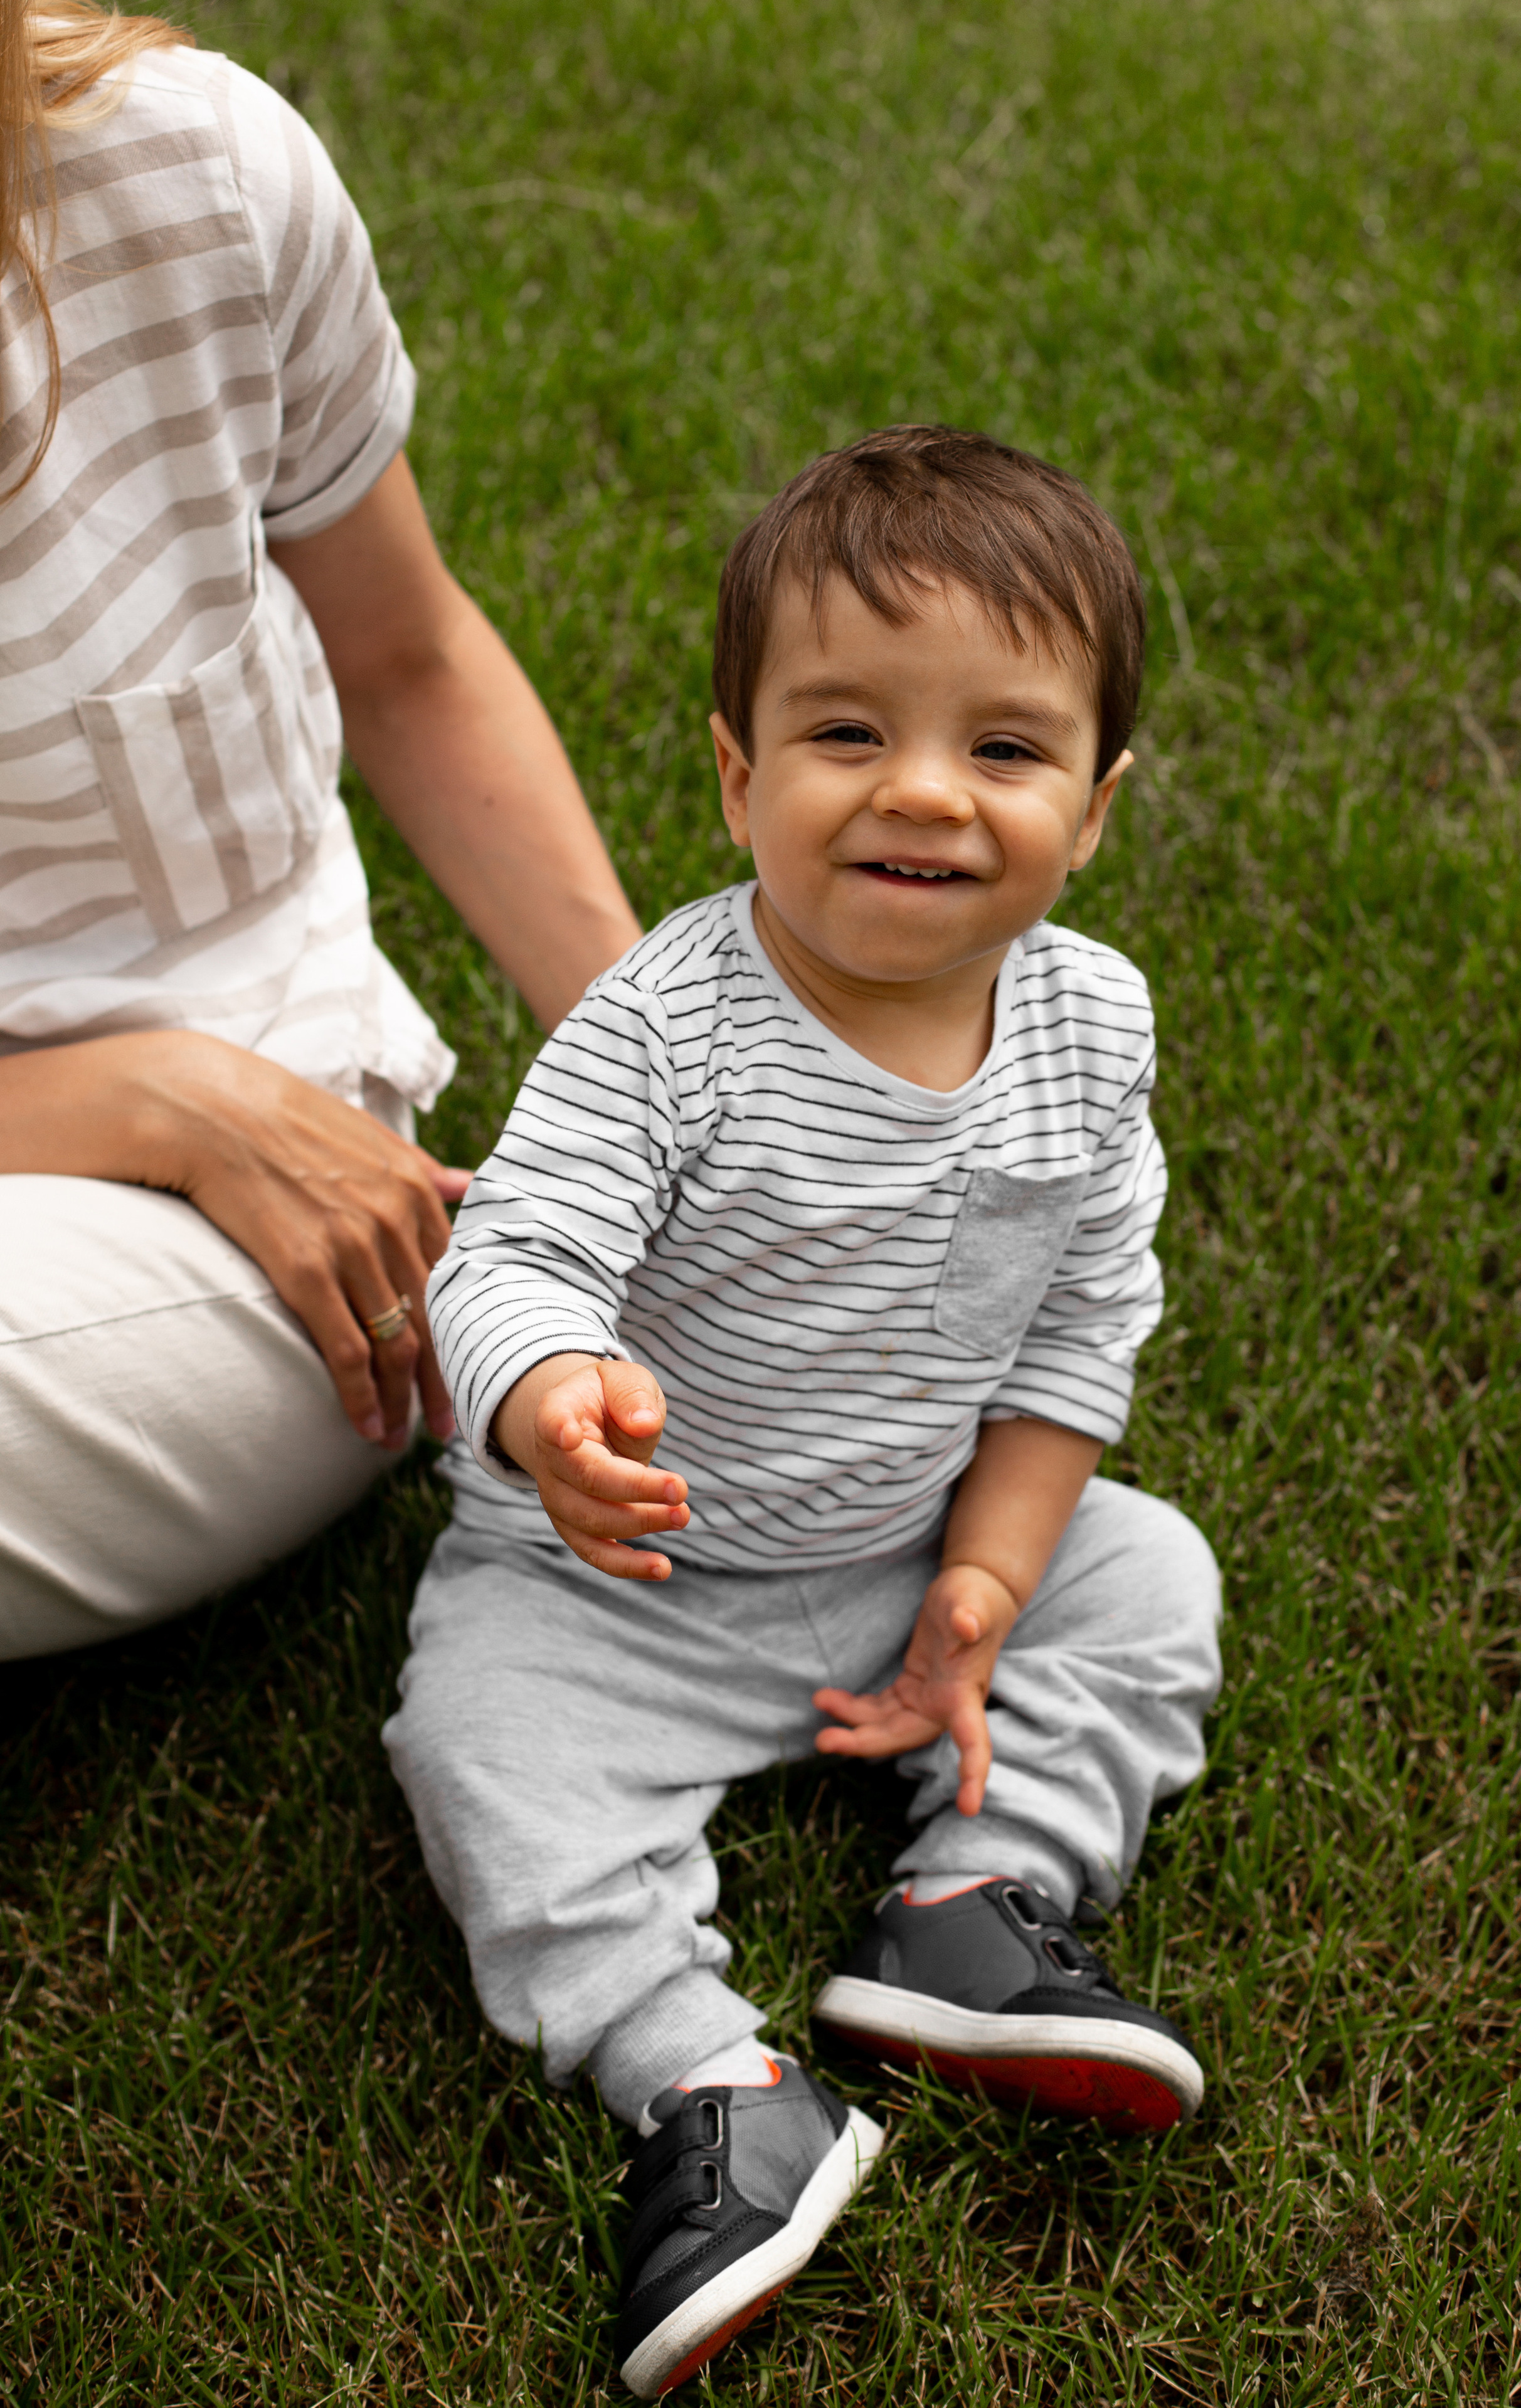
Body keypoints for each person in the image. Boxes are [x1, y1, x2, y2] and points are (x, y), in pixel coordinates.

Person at [383, 425, 1223, 2397]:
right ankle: (711, 2081)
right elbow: (510, 1256)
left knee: (1150, 1578)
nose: (922, 789)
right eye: (848, 733)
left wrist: (989, 1585)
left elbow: (1080, 1336)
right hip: (625, 1587)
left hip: (908, 1543)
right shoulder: (663, 1028)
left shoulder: (1092, 1026)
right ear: (739, 775)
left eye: (1002, 749)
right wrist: (555, 1404)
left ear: (1096, 807)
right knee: (477, 1744)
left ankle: (973, 1902)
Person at [0, 3, 640, 1661]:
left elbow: (408, 658)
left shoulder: (190, 167)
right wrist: (150, 1099)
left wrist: (681, 1101)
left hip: (253, 1216)